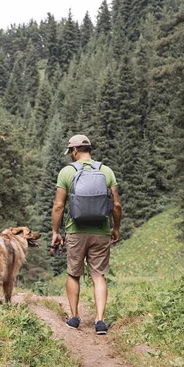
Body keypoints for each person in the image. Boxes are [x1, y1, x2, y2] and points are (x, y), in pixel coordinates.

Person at [51, 134, 122, 335]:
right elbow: (116, 205)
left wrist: (56, 232)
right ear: (89, 149)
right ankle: (100, 321)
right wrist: (115, 228)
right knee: (98, 275)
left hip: (75, 231)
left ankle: (74, 318)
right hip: (100, 232)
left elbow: (58, 206)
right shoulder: (106, 171)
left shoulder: (67, 172)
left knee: (74, 273)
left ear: (74, 151)